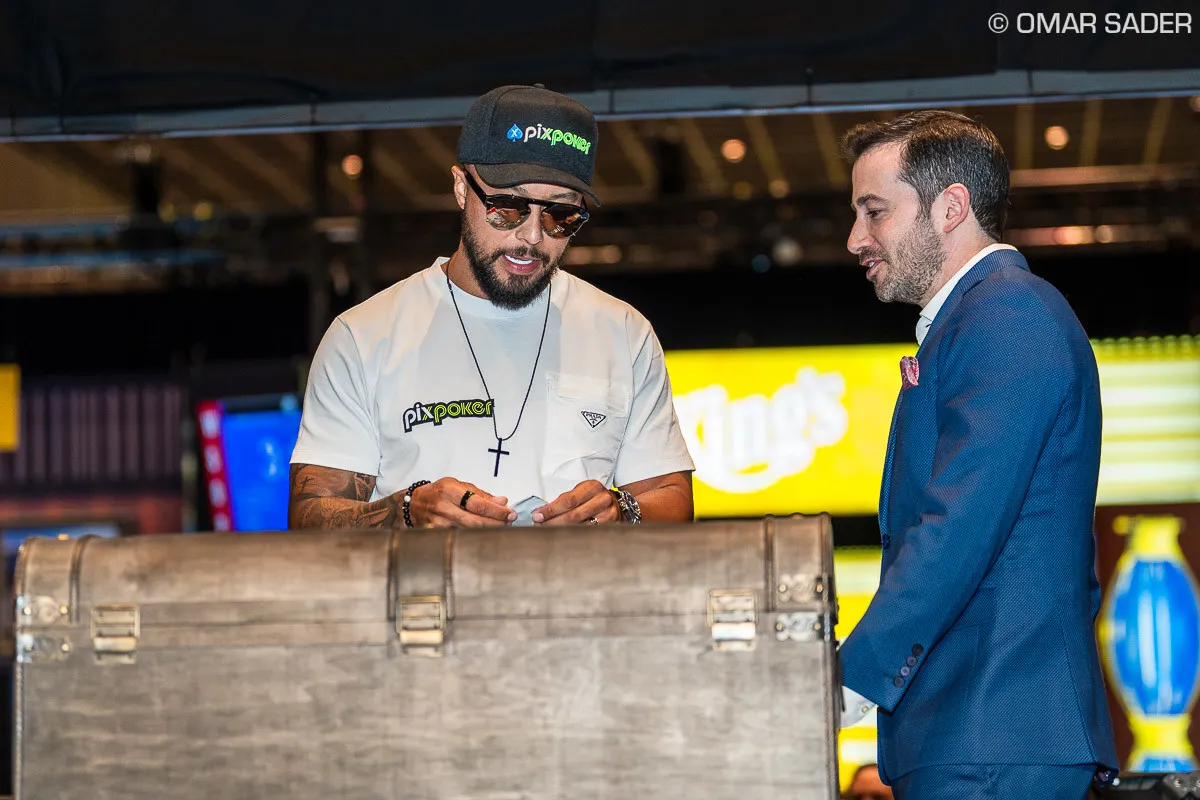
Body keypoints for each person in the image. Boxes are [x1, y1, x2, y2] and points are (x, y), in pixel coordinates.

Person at [835, 110, 1118, 800]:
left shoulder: (1008, 314)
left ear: (950, 207)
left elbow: (958, 526)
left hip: (993, 733)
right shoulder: (986, 317)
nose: (855, 239)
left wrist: (843, 683)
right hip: (987, 731)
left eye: (875, 211)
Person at [288, 85, 694, 530]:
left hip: (576, 578)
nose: (532, 237)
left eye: (561, 216)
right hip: (423, 579)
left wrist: (621, 512)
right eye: (508, 208)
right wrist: (406, 512)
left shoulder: (623, 332)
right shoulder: (363, 336)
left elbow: (672, 499)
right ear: (462, 188)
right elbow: (309, 518)